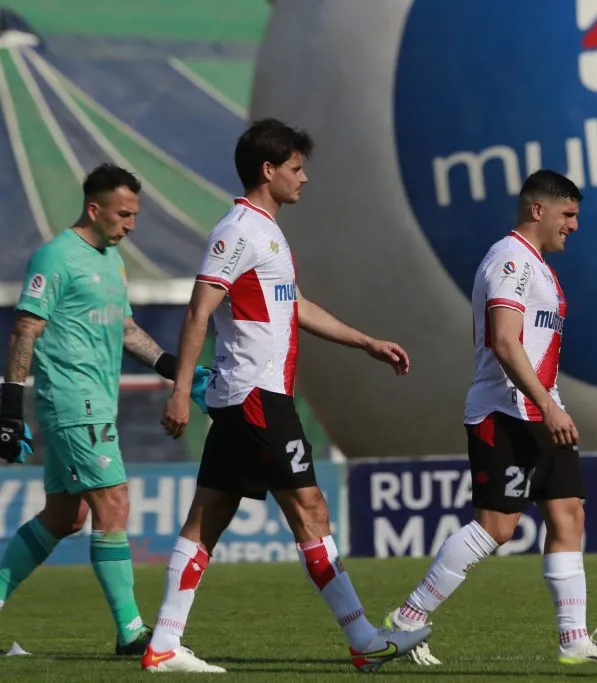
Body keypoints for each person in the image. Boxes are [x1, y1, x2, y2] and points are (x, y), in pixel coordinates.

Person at [141, 118, 431, 674]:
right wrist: (181, 389)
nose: (305, 178)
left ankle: (164, 645)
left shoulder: (268, 231)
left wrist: (365, 341)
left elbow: (294, 305)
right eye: (297, 167)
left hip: (248, 396)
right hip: (256, 396)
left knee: (207, 516)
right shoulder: (238, 230)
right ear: (267, 170)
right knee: (310, 508)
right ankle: (364, 640)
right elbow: (199, 308)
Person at [381, 169, 597, 667]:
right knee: (497, 527)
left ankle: (574, 639)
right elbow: (504, 341)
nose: (575, 226)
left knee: (569, 515)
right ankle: (408, 618)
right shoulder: (510, 260)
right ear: (537, 210)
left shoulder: (539, 267)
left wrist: (548, 405)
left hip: (540, 411)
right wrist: (548, 404)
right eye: (568, 214)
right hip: (506, 412)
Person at [0, 164, 211, 656]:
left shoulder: (111, 261)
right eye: (123, 214)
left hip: (96, 402)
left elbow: (126, 329)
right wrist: (9, 408)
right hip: (74, 401)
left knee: (64, 517)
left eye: (135, 215)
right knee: (113, 503)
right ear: (94, 209)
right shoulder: (55, 257)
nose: (130, 224)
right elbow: (24, 330)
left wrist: (174, 369)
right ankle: (131, 631)